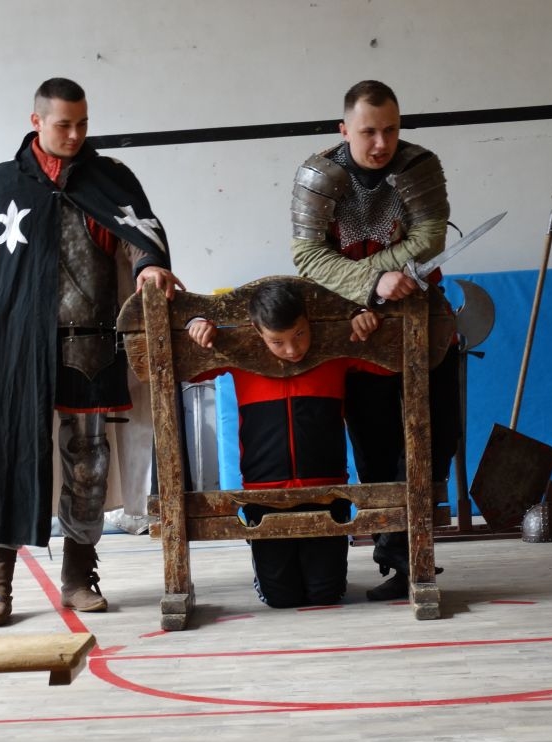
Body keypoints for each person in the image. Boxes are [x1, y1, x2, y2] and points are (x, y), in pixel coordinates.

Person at [0, 77, 183, 626]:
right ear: (36, 121)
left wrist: (148, 264)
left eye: (83, 123)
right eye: (64, 124)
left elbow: (137, 233)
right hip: (15, 346)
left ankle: (79, 575)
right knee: (6, 454)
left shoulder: (109, 178)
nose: (75, 134)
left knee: (88, 463)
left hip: (89, 344)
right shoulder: (5, 183)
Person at [290, 79, 461, 601]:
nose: (382, 143)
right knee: (375, 446)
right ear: (344, 130)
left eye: (390, 130)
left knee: (437, 440)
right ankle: (394, 556)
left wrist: (382, 275)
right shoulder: (319, 176)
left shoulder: (419, 165)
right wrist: (374, 282)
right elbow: (307, 257)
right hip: (358, 330)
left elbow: (430, 238)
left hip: (423, 321)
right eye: (369, 132)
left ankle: (416, 554)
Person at [187, 278, 382, 607]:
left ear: (310, 319)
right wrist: (195, 324)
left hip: (327, 493)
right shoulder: (239, 356)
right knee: (281, 598)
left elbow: (389, 363)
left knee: (325, 594)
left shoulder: (336, 351)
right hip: (265, 496)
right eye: (277, 341)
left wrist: (365, 316)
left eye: (300, 334)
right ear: (256, 330)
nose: (292, 350)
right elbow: (188, 371)